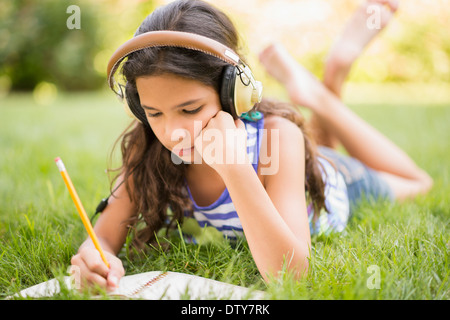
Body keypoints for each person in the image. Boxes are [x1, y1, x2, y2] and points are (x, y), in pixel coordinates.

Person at [71, 0, 432, 290]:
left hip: (337, 181)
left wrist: (235, 167)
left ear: (234, 94)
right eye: (154, 112)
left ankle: (326, 85)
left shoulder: (278, 137)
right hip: (300, 166)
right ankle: (319, 89)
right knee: (319, 144)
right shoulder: (147, 145)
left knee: (419, 183)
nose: (173, 132)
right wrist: (95, 256)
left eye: (190, 109)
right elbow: (102, 236)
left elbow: (291, 275)